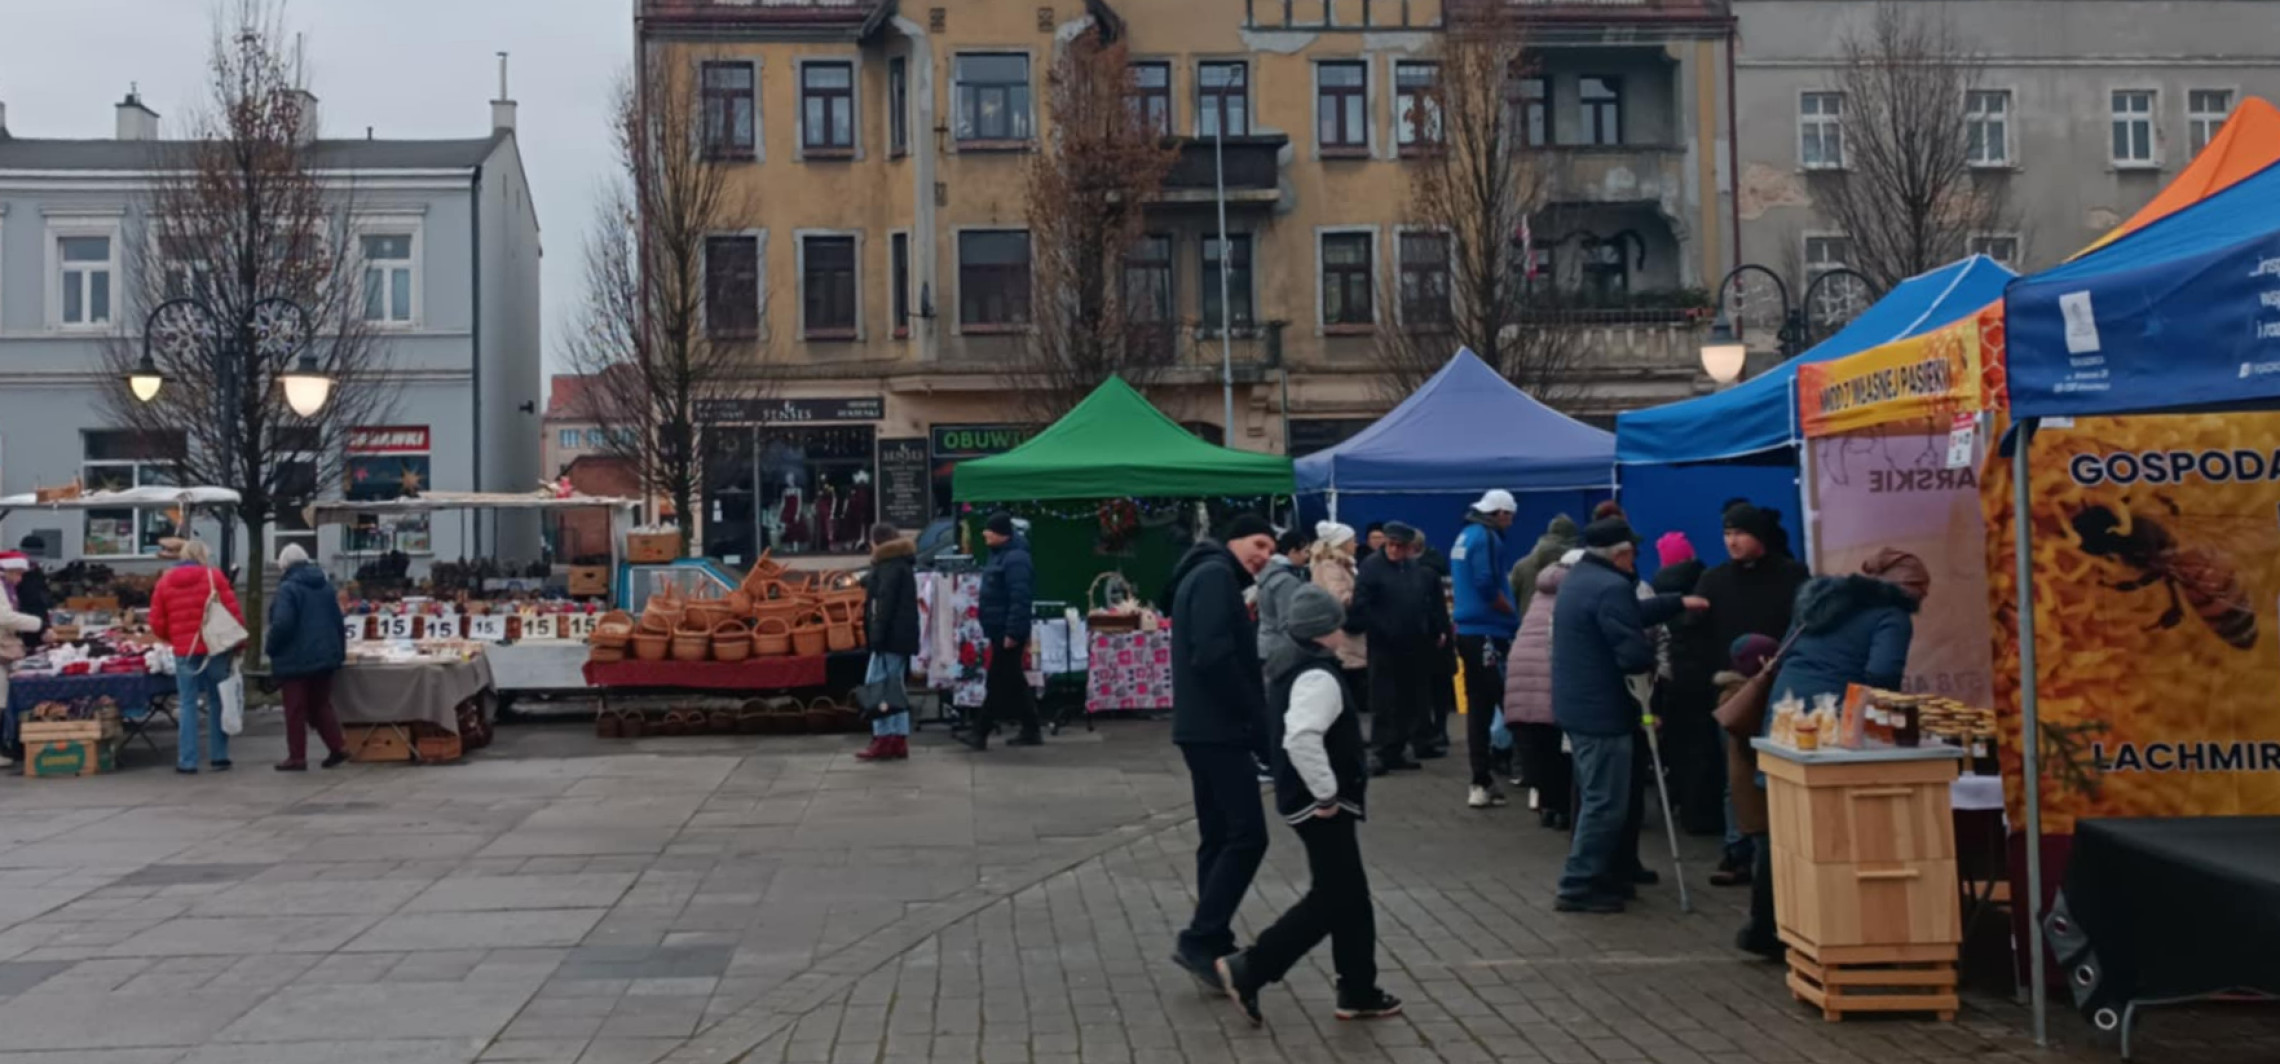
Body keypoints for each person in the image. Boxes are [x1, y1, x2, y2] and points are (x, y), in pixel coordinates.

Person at [1213, 583, 1402, 1026]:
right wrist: (1327, 793)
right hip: (1320, 804)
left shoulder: (1292, 664)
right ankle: (1253, 968)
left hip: (1311, 800)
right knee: (1335, 898)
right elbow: (1301, 736)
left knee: (1350, 898)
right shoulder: (1317, 675)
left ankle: (1357, 987)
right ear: (1322, 631)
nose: (1344, 627)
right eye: (1337, 621)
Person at [1736, 549, 1928, 957]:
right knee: (1830, 830)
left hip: (1785, 715)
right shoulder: (1890, 616)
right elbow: (1882, 675)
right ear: (1906, 589)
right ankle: (1827, 926)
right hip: (1831, 726)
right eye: (1920, 590)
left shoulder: (1821, 603)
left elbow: (1787, 655)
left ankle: (1766, 925)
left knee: (1782, 826)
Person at [1551, 518, 1704, 913]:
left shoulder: (1579, 580)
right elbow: (1630, 648)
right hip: (1604, 709)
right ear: (1620, 554)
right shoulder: (1611, 587)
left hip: (1578, 705)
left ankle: (1599, 874)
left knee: (1595, 795)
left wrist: (1673, 602)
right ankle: (1580, 881)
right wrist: (1648, 663)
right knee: (1606, 801)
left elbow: (1626, 613)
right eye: (1632, 552)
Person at [1168, 513, 1280, 986]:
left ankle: (1210, 938)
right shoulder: (1214, 577)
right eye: (1258, 544)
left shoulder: (1204, 572)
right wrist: (1256, 720)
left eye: (1270, 549)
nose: (1264, 556)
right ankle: (1201, 936)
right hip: (1218, 727)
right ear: (1233, 540)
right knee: (1248, 835)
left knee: (1217, 834)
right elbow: (1213, 654)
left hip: (1200, 725)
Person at [1692, 502, 1812, 885]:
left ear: (1758, 537)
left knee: (1779, 769)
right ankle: (1737, 850)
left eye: (1739, 533)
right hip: (1732, 688)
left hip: (1782, 686)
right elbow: (1696, 634)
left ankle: (1779, 849)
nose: (1731, 541)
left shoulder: (1792, 576)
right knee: (1736, 773)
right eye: (1726, 534)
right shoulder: (1713, 580)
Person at [1346, 521, 1437, 775]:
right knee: (1384, 700)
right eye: (1391, 545)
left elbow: (1421, 599)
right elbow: (1361, 604)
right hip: (1383, 644)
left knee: (1408, 699)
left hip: (1411, 643)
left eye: (1401, 546)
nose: (1395, 550)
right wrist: (1378, 625)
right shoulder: (1372, 567)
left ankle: (1397, 748)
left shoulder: (1412, 567)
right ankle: (1379, 750)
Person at [148, 539, 245, 775]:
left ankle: (187, 760)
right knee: (217, 700)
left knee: (188, 703)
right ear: (203, 555)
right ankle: (219, 756)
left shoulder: (165, 581)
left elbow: (156, 621)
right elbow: (233, 612)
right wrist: (241, 642)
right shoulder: (215, 577)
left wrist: (173, 638)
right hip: (215, 647)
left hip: (184, 650)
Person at [1650, 532, 1722, 836]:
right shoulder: (1710, 586)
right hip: (1707, 680)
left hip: (1672, 684)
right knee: (1708, 749)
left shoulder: (1655, 595)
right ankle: (1709, 814)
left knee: (1678, 749)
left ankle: (1685, 808)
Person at [1451, 490, 1519, 809]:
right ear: (1500, 514)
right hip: (1488, 631)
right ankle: (1535, 772)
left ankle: (1481, 779)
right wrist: (1508, 611)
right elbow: (1486, 582)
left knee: (1480, 707)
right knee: (1510, 702)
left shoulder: (1464, 535)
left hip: (1468, 631)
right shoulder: (1488, 538)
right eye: (1511, 515)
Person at [1503, 546, 1575, 829]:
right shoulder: (1571, 596)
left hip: (1521, 674)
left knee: (1538, 748)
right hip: (1549, 677)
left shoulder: (1539, 594)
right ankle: (1563, 808)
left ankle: (1547, 804)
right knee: (1560, 749)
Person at [264, 544, 350, 771]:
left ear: (284, 566)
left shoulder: (288, 589)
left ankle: (297, 757)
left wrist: (271, 647)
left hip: (295, 659)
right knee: (321, 705)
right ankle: (338, 747)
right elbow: (338, 622)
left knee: (295, 710)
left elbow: (282, 624)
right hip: (325, 657)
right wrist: (339, 652)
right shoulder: (325, 586)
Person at [966, 511, 1041, 749]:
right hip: (999, 629)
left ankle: (980, 732)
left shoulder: (1015, 559)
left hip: (1006, 632)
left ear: (1002, 535)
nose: (984, 533)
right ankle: (1031, 729)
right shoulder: (1000, 555)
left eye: (989, 530)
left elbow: (1020, 598)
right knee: (1014, 680)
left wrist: (1013, 632)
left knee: (996, 681)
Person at [857, 523, 920, 762]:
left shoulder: (889, 568)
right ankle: (897, 739)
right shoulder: (900, 564)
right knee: (895, 688)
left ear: (877, 542)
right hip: (901, 637)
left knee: (879, 687)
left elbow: (882, 607)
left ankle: (884, 738)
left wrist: (877, 638)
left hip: (889, 638)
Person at [1308, 522, 1369, 716]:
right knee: (1351, 681)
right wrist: (1361, 593)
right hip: (1343, 631)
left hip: (1345, 630)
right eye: (1352, 540)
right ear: (1342, 543)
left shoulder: (1341, 563)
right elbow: (1338, 595)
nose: (1356, 544)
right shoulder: (1331, 565)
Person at [1410, 528, 1457, 760]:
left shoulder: (1420, 572)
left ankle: (1427, 730)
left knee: (1425, 687)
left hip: (1428, 634)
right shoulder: (1440, 565)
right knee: (1441, 685)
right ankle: (1440, 729)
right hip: (1443, 632)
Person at [0, 554, 47, 743]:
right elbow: (4, 617)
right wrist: (38, 624)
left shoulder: (7, 588)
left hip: (5, 647)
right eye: (18, 573)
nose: (20, 578)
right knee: (0, 697)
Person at [1254, 527, 1312, 662]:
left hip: (1266, 645)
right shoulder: (1286, 581)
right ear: (1292, 552)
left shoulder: (1269, 572)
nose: (1308, 557)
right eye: (1306, 552)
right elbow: (1288, 622)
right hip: (1279, 651)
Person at [1509, 514, 1579, 620]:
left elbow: (1509, 599)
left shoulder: (1522, 565)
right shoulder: (1576, 566)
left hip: (1528, 628)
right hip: (1564, 629)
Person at [13, 537, 52, 648]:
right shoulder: (14, 576)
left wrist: (46, 626)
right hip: (21, 628)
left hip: (37, 625)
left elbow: (41, 601)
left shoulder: (36, 572)